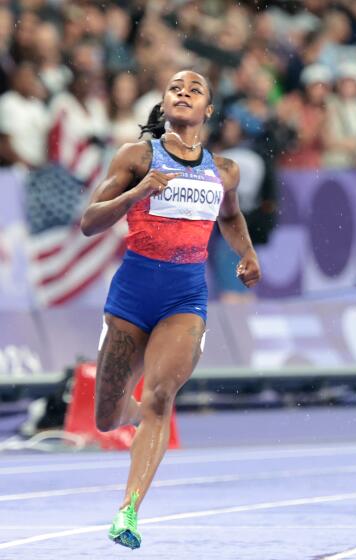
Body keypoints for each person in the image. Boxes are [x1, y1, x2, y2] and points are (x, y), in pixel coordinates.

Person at [79, 70, 261, 549]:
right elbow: (89, 223)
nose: (184, 93)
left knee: (161, 396)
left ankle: (128, 511)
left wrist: (247, 253)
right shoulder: (138, 157)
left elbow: (232, 215)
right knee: (106, 417)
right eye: (175, 88)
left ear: (208, 111)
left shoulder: (223, 171)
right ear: (163, 105)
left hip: (185, 299)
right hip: (131, 297)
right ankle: (137, 416)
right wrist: (137, 192)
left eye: (195, 89)